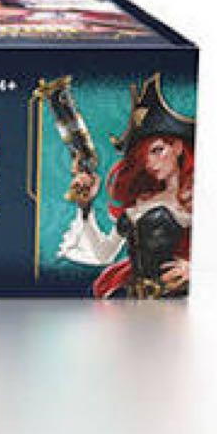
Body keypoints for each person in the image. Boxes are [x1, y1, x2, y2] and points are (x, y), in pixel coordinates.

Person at [58, 74, 195, 298]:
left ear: (178, 147)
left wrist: (194, 269)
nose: (150, 164)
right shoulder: (140, 202)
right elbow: (104, 255)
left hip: (176, 301)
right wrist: (86, 207)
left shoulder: (197, 197)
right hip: (131, 300)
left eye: (157, 150)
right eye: (144, 157)